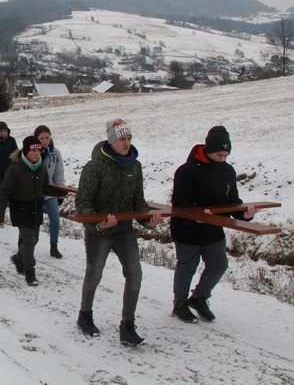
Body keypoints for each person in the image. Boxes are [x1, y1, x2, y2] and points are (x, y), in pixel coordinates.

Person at [75, 119, 162, 346]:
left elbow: (138, 203)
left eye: (129, 138)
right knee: (94, 275)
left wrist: (148, 221)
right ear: (111, 141)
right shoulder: (94, 167)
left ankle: (128, 325)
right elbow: (83, 203)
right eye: (122, 139)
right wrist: (97, 224)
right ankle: (85, 315)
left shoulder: (135, 166)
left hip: (124, 230)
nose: (126, 143)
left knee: (135, 275)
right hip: (100, 232)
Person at [170, 126, 256, 324]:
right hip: (187, 230)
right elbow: (179, 202)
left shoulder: (228, 171)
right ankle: (180, 303)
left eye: (226, 155)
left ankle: (200, 297)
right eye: (219, 154)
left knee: (219, 265)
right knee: (187, 267)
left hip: (213, 230)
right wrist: (195, 214)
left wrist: (244, 214)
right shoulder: (186, 170)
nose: (222, 159)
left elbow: (232, 202)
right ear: (208, 150)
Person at [0, 136, 67, 287]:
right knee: (28, 241)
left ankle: (18, 258)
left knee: (34, 240)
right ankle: (30, 272)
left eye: (39, 150)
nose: (37, 153)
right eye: (33, 150)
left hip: (36, 208)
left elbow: (45, 187)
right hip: (20, 209)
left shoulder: (41, 167)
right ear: (26, 151)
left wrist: (61, 192)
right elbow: (4, 192)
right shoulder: (15, 168)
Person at [35, 125, 66, 259]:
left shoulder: (55, 153)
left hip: (48, 193)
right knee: (33, 221)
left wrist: (60, 192)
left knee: (55, 218)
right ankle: (24, 243)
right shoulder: (33, 153)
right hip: (34, 193)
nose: (45, 141)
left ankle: (54, 246)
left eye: (47, 137)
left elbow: (58, 173)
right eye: (41, 138)